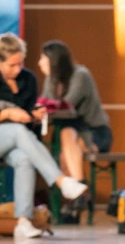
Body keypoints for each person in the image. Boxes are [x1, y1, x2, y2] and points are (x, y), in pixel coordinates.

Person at [0, 34, 87, 237]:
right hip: (9, 135)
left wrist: (35, 115)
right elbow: (13, 118)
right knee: (17, 131)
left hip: (17, 143)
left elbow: (29, 112)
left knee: (24, 159)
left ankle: (23, 221)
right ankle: (61, 181)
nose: (18, 69)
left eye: (20, 63)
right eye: (12, 65)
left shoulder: (28, 78)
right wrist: (6, 113)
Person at [39, 40, 111, 219]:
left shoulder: (81, 75)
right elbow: (44, 104)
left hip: (95, 131)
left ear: (54, 61)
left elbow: (66, 106)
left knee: (65, 139)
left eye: (43, 59)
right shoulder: (51, 80)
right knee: (64, 149)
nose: (40, 63)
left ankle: (78, 191)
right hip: (70, 133)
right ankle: (76, 199)